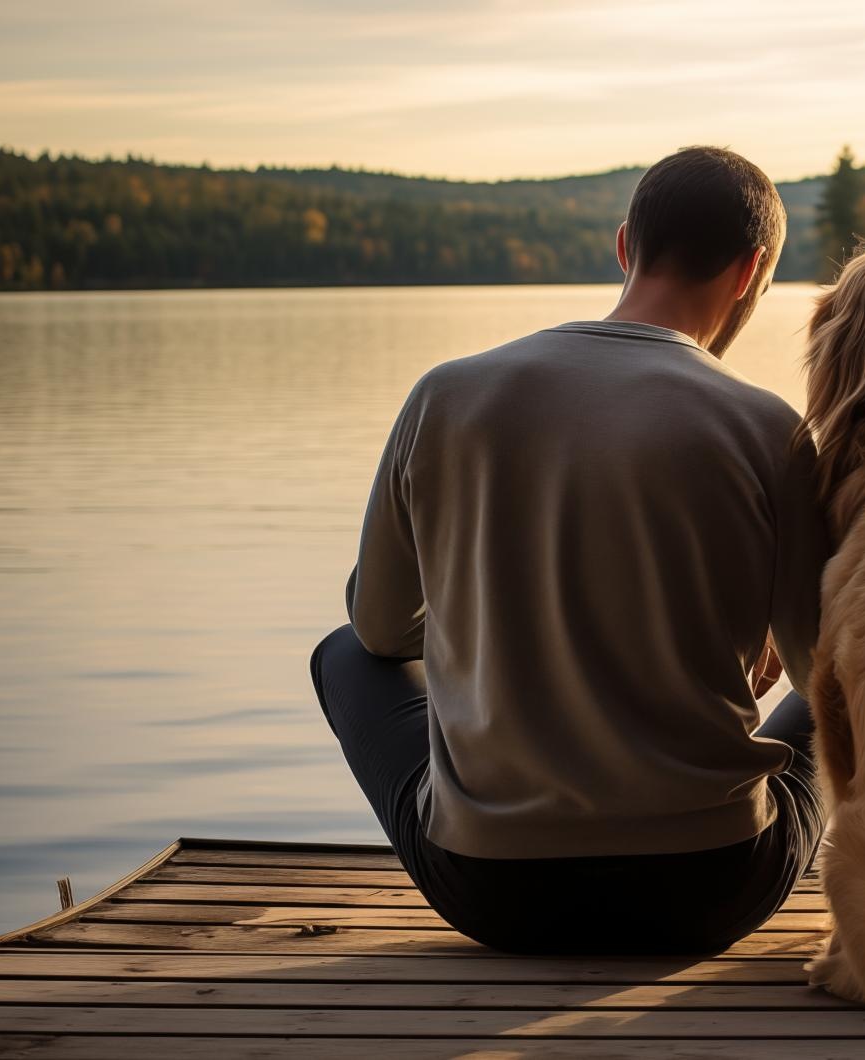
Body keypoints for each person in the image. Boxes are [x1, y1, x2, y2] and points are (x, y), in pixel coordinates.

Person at [308, 146, 830, 955]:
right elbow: (821, 670)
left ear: (624, 246)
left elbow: (381, 633)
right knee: (851, 684)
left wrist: (496, 629)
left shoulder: (445, 394)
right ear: (750, 270)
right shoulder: (770, 429)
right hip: (711, 885)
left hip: (494, 893)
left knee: (344, 653)